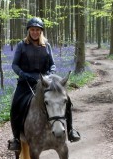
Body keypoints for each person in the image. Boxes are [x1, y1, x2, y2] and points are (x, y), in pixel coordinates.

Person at [8, 17, 80, 151]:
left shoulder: (47, 46)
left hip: (45, 82)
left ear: (41, 31)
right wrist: (23, 75)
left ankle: (71, 131)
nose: (35, 32)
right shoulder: (21, 45)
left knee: (67, 100)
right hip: (26, 82)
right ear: (28, 31)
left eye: (37, 30)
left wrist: (49, 74)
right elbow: (15, 65)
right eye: (32, 30)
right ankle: (16, 139)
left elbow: (52, 64)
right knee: (15, 105)